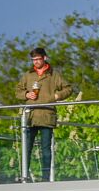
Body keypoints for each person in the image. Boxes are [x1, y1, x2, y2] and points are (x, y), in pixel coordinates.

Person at [15, 47, 73, 182]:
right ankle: (25, 176)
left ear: (44, 58)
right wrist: (25, 94)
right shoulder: (28, 75)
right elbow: (17, 91)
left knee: (46, 149)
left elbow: (68, 88)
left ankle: (45, 178)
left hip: (47, 115)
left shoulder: (54, 75)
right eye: (33, 60)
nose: (35, 62)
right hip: (30, 117)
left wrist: (58, 95)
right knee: (27, 148)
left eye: (37, 59)